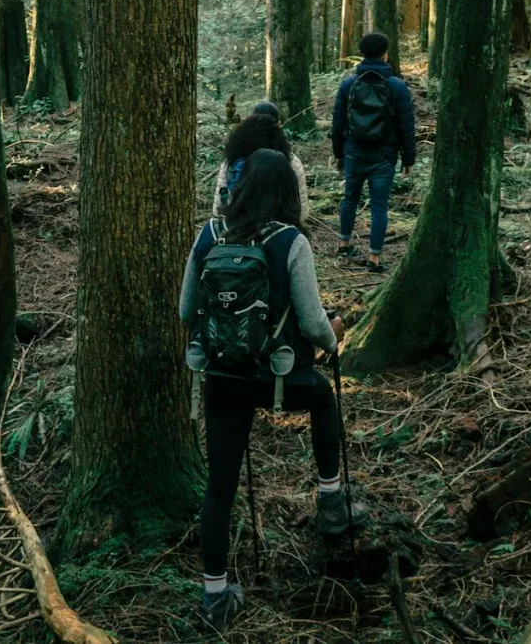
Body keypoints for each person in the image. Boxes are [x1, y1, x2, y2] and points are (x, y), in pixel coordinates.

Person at [180, 149, 359, 631]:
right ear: (286, 191)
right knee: (322, 397)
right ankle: (330, 498)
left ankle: (215, 597)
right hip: (279, 378)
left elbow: (185, 311)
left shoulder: (209, 234)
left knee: (219, 488)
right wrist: (334, 334)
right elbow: (313, 322)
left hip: (222, 378)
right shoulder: (290, 241)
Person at [330, 32, 416, 272]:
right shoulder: (397, 86)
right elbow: (406, 125)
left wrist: (338, 153)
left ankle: (344, 244)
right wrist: (409, 158)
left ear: (363, 55)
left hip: (354, 151)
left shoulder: (348, 84)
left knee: (350, 199)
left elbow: (338, 122)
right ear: (385, 55)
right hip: (384, 156)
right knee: (379, 205)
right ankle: (374, 258)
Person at [212, 101, 311, 223]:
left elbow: (219, 207)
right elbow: (301, 210)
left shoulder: (233, 158)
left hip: (238, 230)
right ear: (279, 125)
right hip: (278, 230)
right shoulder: (290, 161)